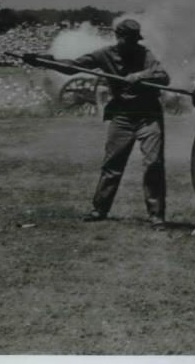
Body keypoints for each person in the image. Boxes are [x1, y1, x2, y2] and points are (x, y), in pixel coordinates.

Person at [24, 19, 171, 230]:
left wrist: (139, 76)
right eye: (126, 40)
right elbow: (73, 67)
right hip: (121, 115)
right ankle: (100, 209)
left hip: (148, 115)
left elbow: (164, 77)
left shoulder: (145, 54)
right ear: (118, 38)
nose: (130, 44)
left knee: (154, 164)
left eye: (133, 40)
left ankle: (157, 216)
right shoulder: (105, 55)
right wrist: (43, 61)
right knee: (113, 164)